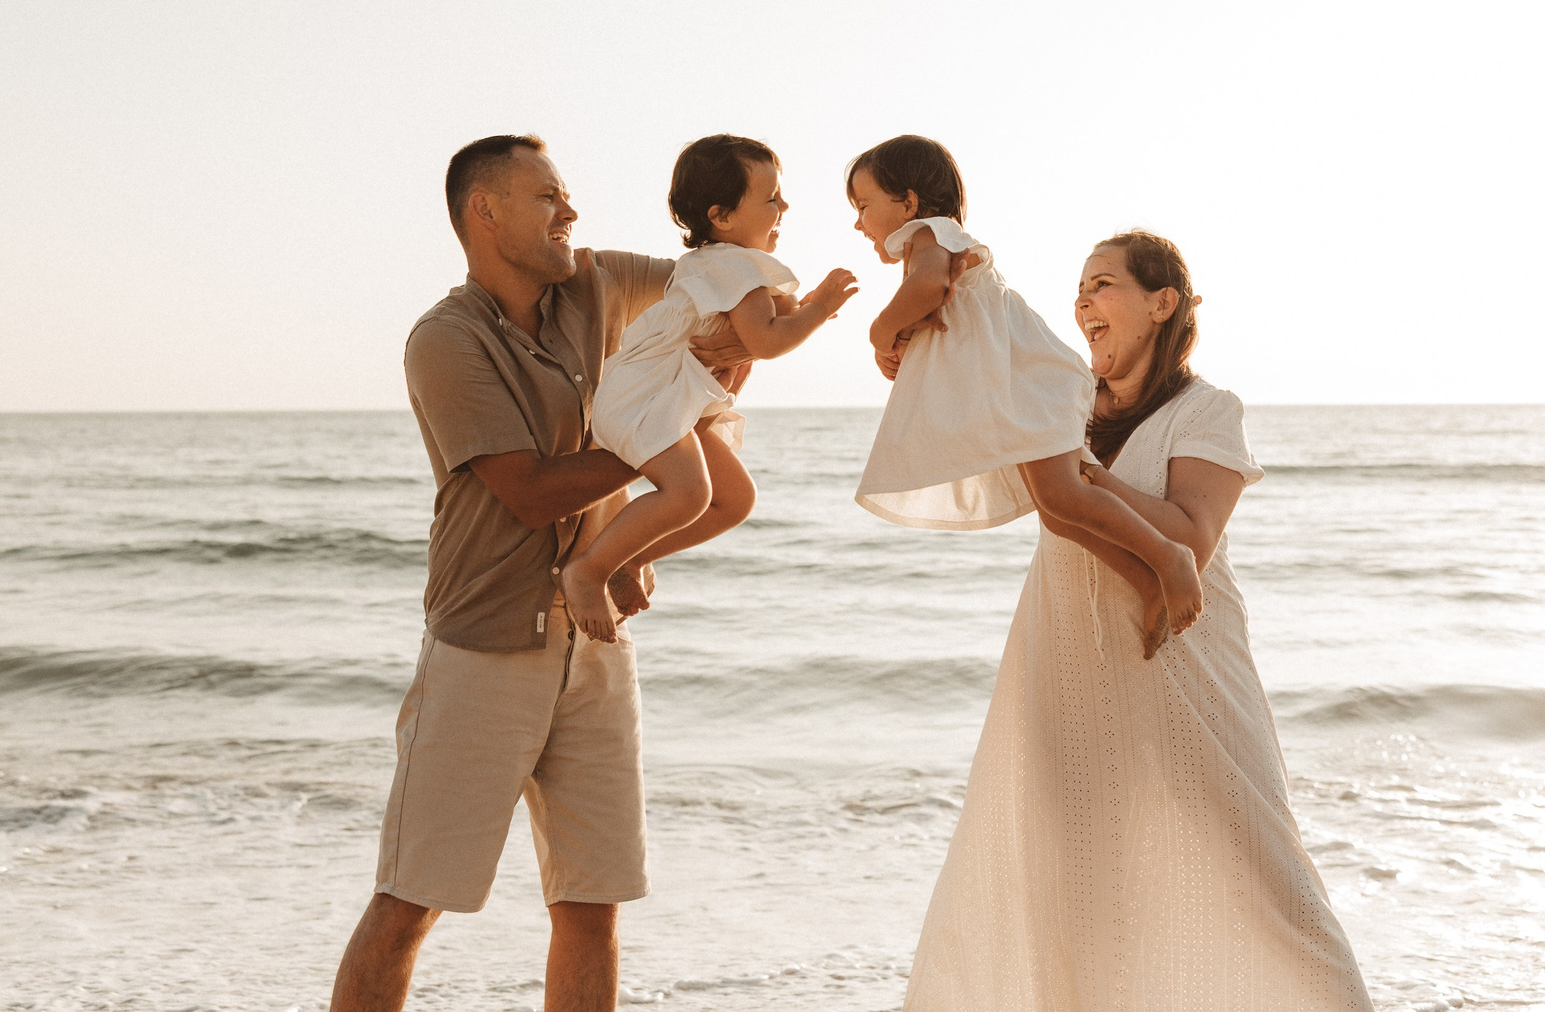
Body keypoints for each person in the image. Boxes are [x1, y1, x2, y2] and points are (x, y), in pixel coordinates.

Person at [902, 230, 1374, 1011]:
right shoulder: (1059, 409)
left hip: (1188, 678)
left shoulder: (1207, 409)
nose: (1083, 300)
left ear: (1162, 303)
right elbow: (971, 386)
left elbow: (1188, 539)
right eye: (1079, 288)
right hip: (1065, 678)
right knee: (1077, 904)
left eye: (1104, 283)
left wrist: (1078, 475)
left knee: (1270, 885)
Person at [330, 134, 746, 1012]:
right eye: (548, 196)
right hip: (482, 648)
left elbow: (719, 284)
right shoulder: (443, 340)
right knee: (410, 901)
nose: (571, 211)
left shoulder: (596, 284)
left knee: (591, 906)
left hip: (595, 647)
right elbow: (528, 489)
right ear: (486, 212)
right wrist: (652, 435)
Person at [847, 135, 1204, 641]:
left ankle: (1169, 556)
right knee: (1059, 511)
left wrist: (878, 332)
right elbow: (938, 305)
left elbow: (928, 288)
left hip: (1031, 385)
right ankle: (1147, 582)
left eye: (863, 206)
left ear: (907, 203)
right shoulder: (935, 244)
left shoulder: (930, 234)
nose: (858, 222)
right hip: (1021, 389)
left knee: (1064, 496)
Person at [563, 134, 858, 641]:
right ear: (721, 216)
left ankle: (625, 560)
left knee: (734, 499)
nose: (783, 206)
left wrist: (798, 310)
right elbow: (765, 341)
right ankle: (587, 571)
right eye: (770, 199)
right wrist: (820, 307)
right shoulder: (735, 265)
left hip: (664, 401)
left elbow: (763, 321)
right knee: (691, 493)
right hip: (648, 400)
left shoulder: (719, 265)